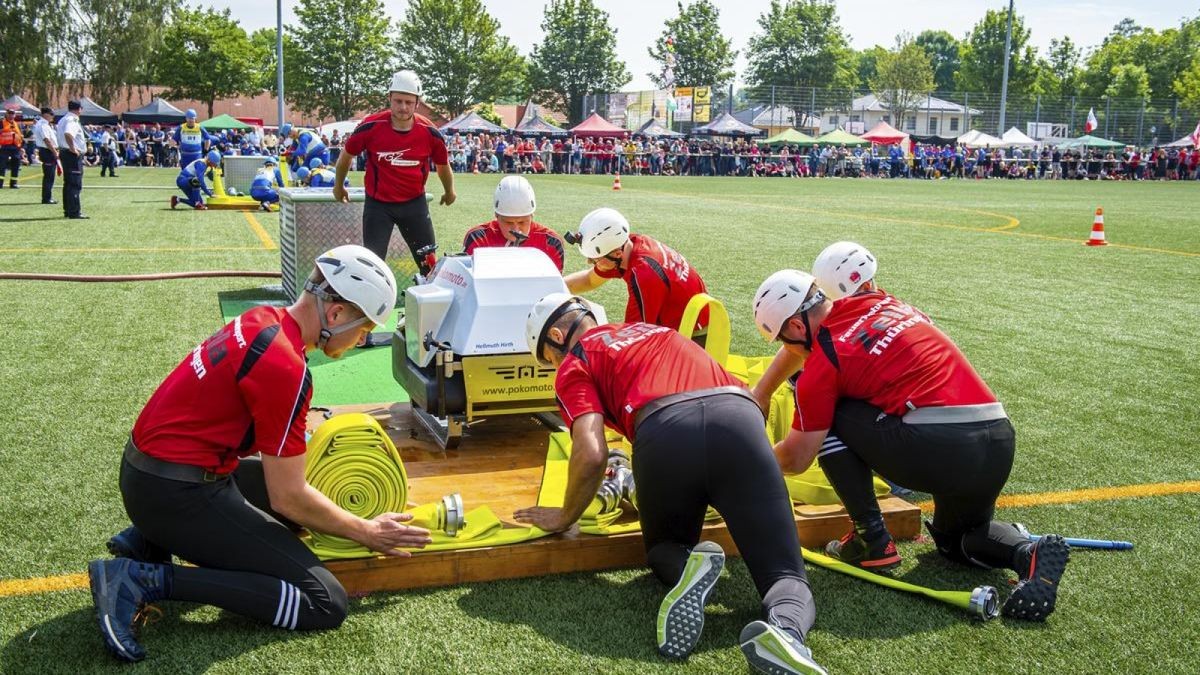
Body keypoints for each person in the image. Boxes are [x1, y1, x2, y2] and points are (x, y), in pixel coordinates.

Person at [87, 245, 431, 663]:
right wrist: (367, 532)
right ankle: (140, 579)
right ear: (336, 314)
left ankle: (148, 537)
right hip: (173, 492)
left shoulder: (263, 320)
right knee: (324, 602)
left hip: (153, 476)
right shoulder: (286, 367)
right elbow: (288, 495)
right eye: (363, 330)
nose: (361, 341)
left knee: (310, 504)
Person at [515, 294, 825, 675]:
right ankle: (788, 636)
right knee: (786, 576)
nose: (554, 367)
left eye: (549, 359)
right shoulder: (659, 331)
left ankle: (687, 568)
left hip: (664, 433)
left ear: (558, 335)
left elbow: (592, 452)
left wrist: (565, 516)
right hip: (738, 420)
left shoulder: (576, 361)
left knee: (664, 548)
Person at [751, 265, 1071, 622]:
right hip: (997, 437)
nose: (788, 348)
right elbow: (816, 342)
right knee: (957, 542)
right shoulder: (877, 299)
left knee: (829, 414)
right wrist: (761, 392)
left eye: (784, 339)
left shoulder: (823, 365)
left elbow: (797, 457)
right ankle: (1028, 553)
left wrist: (745, 460)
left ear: (795, 327)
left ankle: (871, 539)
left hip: (940, 446)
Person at [334, 70, 455, 276]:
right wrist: (338, 186)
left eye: (409, 102)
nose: (403, 107)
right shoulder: (370, 126)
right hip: (378, 205)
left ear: (417, 103)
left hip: (414, 203)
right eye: (398, 101)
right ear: (389, 98)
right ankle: (368, 307)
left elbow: (443, 165)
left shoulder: (429, 132)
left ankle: (431, 305)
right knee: (371, 265)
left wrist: (449, 191)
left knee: (429, 264)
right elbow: (346, 157)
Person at [564, 207, 709, 342]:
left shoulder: (643, 274)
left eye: (595, 260)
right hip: (693, 320)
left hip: (693, 334)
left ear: (617, 254)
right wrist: (554, 287)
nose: (589, 262)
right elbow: (589, 280)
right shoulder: (630, 244)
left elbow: (634, 336)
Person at [461, 176, 565, 271]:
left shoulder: (551, 243)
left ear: (532, 215)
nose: (516, 229)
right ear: (496, 215)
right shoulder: (478, 238)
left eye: (522, 222)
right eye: (508, 222)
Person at [56, 100, 88, 219]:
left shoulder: (63, 119)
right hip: (71, 155)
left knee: (69, 183)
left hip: (65, 153)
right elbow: (68, 134)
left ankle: (68, 210)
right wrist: (73, 148)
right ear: (79, 109)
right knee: (75, 184)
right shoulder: (72, 120)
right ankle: (74, 211)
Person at [32, 107, 59, 204]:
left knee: (50, 175)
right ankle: (47, 198)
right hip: (47, 151)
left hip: (48, 151)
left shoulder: (46, 124)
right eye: (51, 114)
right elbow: (46, 140)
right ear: (45, 114)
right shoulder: (43, 125)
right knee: (49, 176)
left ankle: (48, 197)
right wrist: (54, 152)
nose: (53, 116)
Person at [0, 108, 23, 188]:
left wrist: (20, 146)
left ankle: (14, 183)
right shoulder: (1, 122)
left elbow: (19, 135)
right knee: (2, 166)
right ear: (6, 114)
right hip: (4, 147)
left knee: (16, 165)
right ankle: (0, 184)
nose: (11, 115)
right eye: (9, 113)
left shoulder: (16, 124)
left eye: (13, 114)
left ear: (15, 115)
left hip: (15, 147)